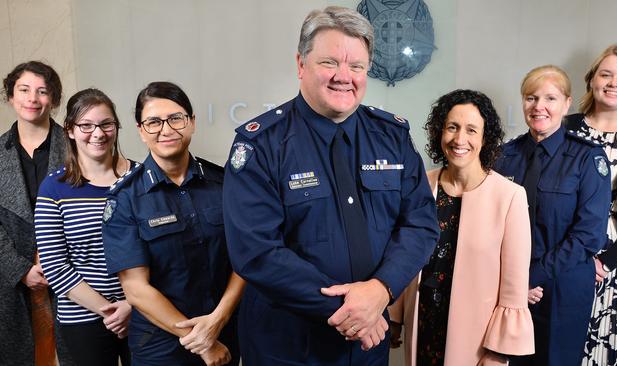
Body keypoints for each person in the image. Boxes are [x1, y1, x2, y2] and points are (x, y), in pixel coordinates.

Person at [222, 6, 439, 365]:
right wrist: (354, 311)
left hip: (367, 347)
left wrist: (381, 290)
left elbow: (420, 223)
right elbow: (255, 251)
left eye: (356, 66)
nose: (344, 76)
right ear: (300, 64)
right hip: (289, 346)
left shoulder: (392, 136)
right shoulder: (261, 145)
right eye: (330, 63)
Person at [102, 81, 244, 366]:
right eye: (153, 122)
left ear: (192, 123)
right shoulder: (126, 198)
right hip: (160, 346)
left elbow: (245, 258)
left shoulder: (225, 184)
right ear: (141, 131)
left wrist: (218, 321)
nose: (166, 130)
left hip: (226, 331)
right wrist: (203, 341)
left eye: (176, 118)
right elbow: (136, 290)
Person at [389, 89, 535, 365]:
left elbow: (514, 287)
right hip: (423, 326)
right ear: (439, 132)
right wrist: (395, 316)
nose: (460, 139)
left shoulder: (510, 197)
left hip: (477, 341)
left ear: (485, 138)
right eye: (452, 128)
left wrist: (498, 352)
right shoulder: (420, 185)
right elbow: (400, 255)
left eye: (471, 130)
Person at [493, 65, 611, 366]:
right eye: (531, 98)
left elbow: (588, 236)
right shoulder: (504, 157)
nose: (539, 107)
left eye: (550, 98)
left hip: (563, 289)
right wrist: (514, 283)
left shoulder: (587, 158)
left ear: (567, 103)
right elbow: (491, 227)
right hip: (508, 289)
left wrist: (528, 278)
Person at [564, 44, 617, 366]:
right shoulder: (564, 129)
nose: (614, 83)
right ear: (591, 80)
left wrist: (607, 261)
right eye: (606, 74)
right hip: (568, 260)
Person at [35, 88, 133, 366]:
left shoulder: (139, 179)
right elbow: (55, 265)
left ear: (116, 127)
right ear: (70, 130)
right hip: (81, 317)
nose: (98, 133)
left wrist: (131, 305)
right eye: (86, 125)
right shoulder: (54, 187)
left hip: (142, 311)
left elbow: (161, 252)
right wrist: (109, 311)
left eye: (106, 124)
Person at [0, 61, 73, 366]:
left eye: (42, 91)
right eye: (24, 90)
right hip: (10, 280)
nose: (32, 99)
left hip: (73, 271)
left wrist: (56, 263)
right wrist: (19, 269)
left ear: (54, 100)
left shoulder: (77, 146)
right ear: (10, 97)